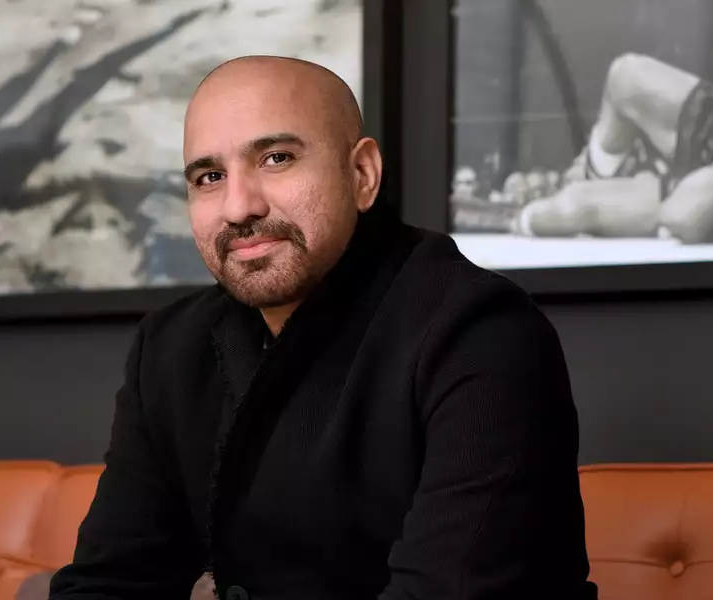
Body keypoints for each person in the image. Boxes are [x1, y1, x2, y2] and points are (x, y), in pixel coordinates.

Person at [48, 55, 597, 600]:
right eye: (210, 177)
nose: (238, 207)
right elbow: (108, 583)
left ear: (362, 175)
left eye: (276, 158)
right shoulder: (170, 347)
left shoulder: (481, 333)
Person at [513, 53, 713, 243]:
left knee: (571, 207)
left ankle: (517, 211)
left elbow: (681, 218)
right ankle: (588, 177)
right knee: (625, 75)